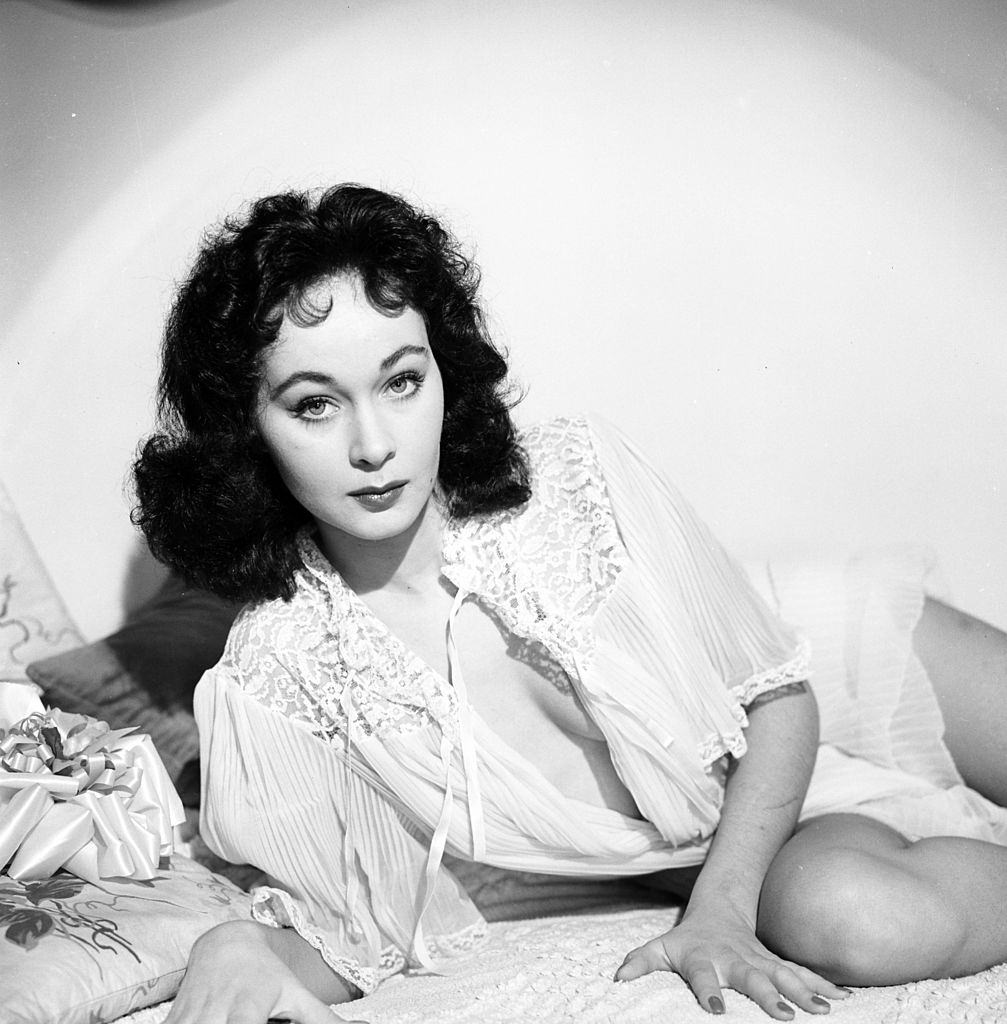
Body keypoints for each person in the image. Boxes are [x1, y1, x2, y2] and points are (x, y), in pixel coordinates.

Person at [133, 184, 1007, 1024]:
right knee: (854, 922)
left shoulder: (576, 478)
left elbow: (777, 698)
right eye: (315, 404)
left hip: (824, 669)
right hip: (743, 839)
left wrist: (720, 914)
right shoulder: (278, 668)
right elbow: (363, 932)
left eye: (401, 381)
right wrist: (233, 946)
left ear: (443, 370)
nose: (373, 445)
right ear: (247, 429)